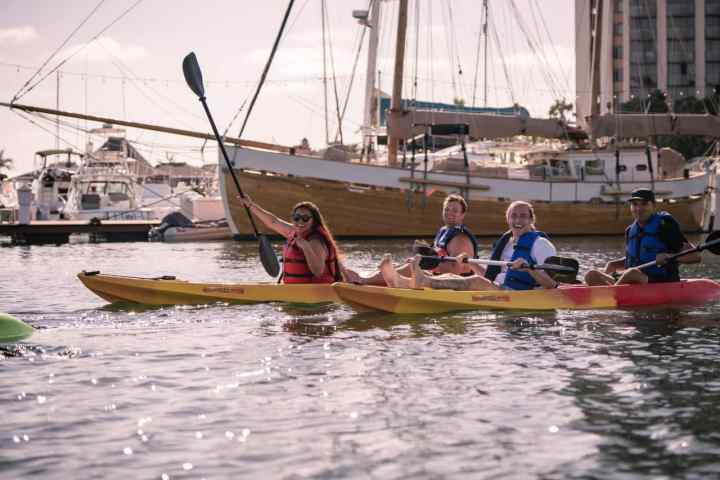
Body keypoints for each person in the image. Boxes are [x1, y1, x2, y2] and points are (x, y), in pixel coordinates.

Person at [380, 200, 560, 291]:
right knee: (455, 276)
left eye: (523, 216)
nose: (518, 220)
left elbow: (552, 285)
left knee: (475, 281)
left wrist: (530, 270)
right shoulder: (506, 243)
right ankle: (404, 282)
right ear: (507, 218)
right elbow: (490, 276)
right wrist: (471, 263)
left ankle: (421, 282)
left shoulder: (541, 244)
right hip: (497, 289)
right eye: (514, 216)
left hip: (520, 294)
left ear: (531, 220)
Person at [345, 194, 480, 284]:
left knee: (413, 266)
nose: (449, 213)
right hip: (435, 276)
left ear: (462, 215)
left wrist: (430, 263)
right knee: (407, 263)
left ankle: (364, 281)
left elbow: (457, 270)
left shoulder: (460, 238)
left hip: (457, 284)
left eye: (455, 210)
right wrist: (427, 254)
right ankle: (373, 278)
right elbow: (438, 256)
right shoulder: (444, 231)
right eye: (447, 209)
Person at [584, 188, 700, 286]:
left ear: (653, 205)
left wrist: (670, 256)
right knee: (591, 275)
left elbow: (695, 256)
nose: (639, 209)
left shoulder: (665, 226)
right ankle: (606, 293)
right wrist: (614, 264)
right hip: (633, 278)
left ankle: (612, 294)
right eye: (635, 204)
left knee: (631, 273)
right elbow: (637, 258)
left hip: (660, 280)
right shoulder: (630, 231)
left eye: (644, 204)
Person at [240, 196, 344, 283]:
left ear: (314, 221)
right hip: (294, 290)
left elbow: (318, 271)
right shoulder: (294, 232)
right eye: (296, 217)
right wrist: (250, 205)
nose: (300, 221)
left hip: (315, 292)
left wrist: (305, 247)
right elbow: (273, 222)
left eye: (305, 218)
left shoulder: (316, 241)